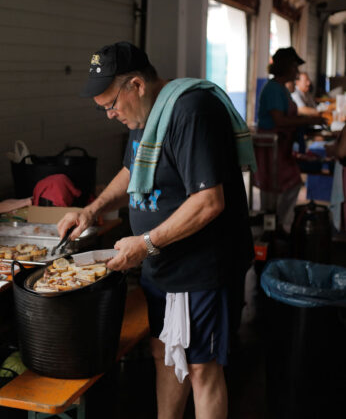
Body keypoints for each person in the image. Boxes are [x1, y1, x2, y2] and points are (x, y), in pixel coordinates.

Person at [57, 42, 254, 419]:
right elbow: (133, 171)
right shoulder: (145, 117)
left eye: (112, 104)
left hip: (202, 268)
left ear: (136, 84)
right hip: (163, 266)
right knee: (164, 354)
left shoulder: (191, 111)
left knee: (201, 368)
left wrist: (146, 243)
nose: (111, 115)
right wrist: (93, 210)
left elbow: (210, 201)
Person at [256, 47, 324, 233]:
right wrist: (310, 120)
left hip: (282, 147)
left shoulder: (282, 89)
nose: (297, 71)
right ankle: (271, 228)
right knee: (274, 189)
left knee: (289, 184)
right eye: (294, 66)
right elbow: (279, 120)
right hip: (272, 147)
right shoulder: (273, 89)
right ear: (285, 67)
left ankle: (279, 226)